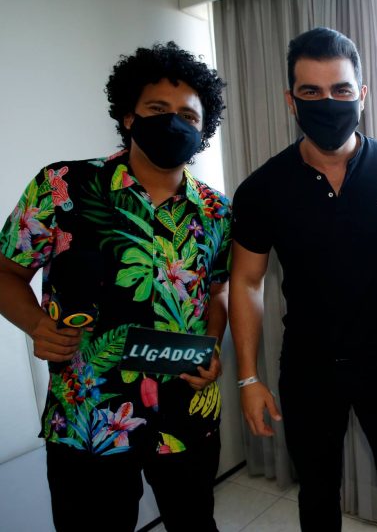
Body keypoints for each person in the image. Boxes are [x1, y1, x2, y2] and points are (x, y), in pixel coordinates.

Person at [0, 42, 230, 532]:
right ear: (129, 116)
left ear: (203, 129)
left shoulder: (217, 211)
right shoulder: (62, 186)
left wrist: (213, 344)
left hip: (185, 413)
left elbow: (217, 293)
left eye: (188, 116)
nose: (173, 123)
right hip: (88, 416)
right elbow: (6, 272)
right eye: (157, 109)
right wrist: (36, 324)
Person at [228, 27, 377, 531]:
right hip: (308, 366)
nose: (327, 103)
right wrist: (248, 378)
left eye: (340, 90)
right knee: (316, 496)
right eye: (311, 91)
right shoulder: (262, 188)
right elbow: (246, 282)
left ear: (362, 95)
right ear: (290, 100)